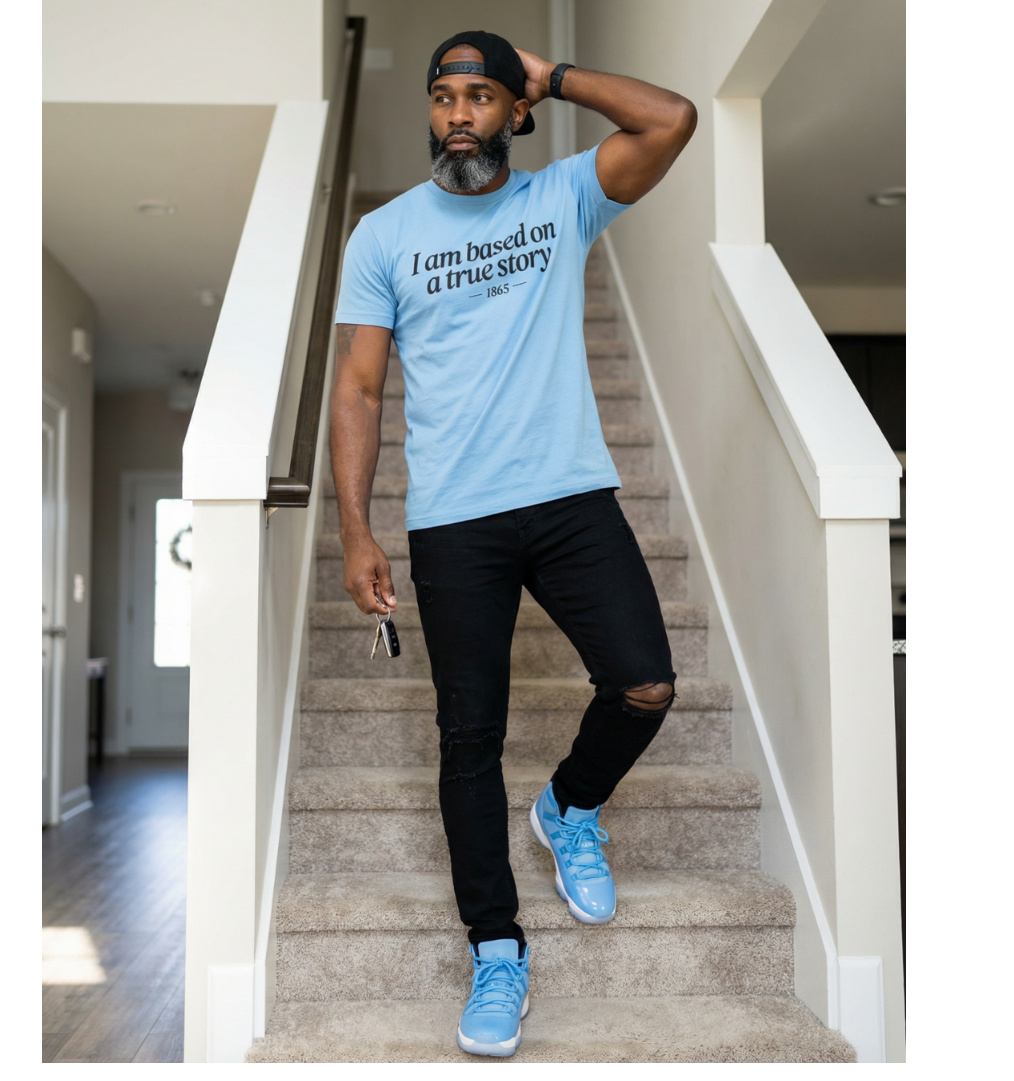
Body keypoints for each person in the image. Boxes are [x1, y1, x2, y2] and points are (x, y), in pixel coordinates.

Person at [330, 30, 696, 1058]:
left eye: (482, 96)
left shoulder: (563, 196)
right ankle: (497, 947)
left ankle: (570, 805)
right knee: (468, 739)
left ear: (516, 113)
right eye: (444, 96)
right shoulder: (384, 236)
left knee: (646, 683)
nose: (458, 114)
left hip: (570, 494)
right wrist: (356, 528)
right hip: (454, 518)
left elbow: (671, 120)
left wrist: (558, 75)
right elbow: (358, 388)